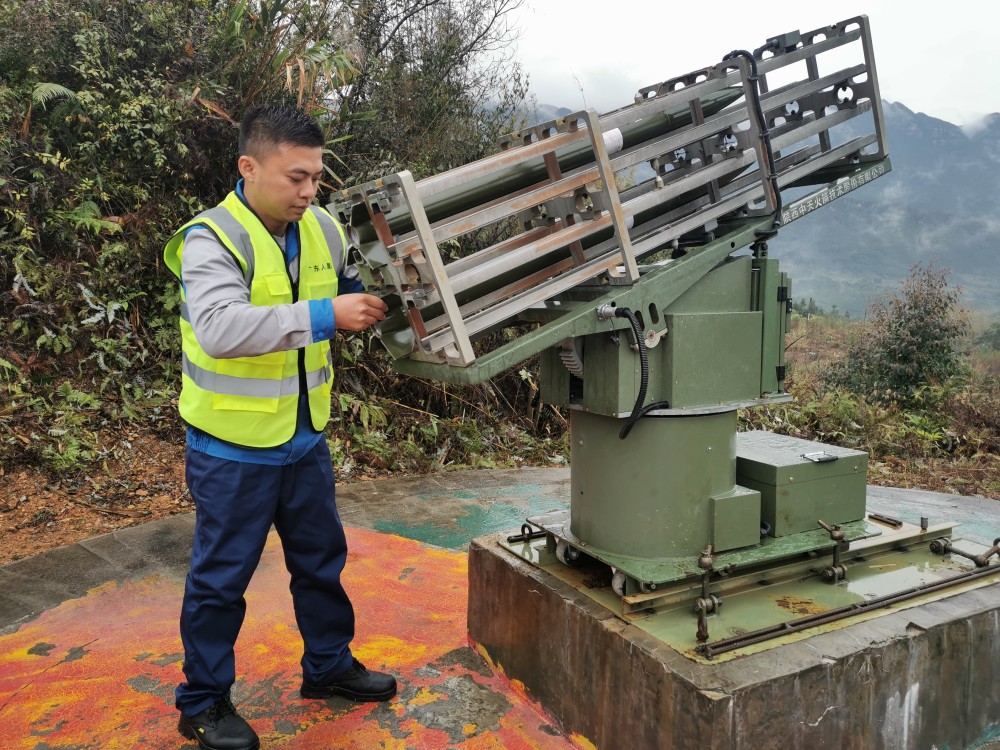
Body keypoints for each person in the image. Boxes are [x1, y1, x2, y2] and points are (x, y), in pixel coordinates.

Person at [163, 104, 393, 750]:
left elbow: (347, 284)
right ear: (249, 166)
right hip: (233, 449)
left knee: (321, 562)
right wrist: (326, 314)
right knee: (220, 581)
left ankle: (328, 666)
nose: (308, 191)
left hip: (303, 439)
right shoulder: (212, 239)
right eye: (295, 177)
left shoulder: (320, 227)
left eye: (316, 177)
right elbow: (219, 328)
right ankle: (203, 702)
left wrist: (379, 299)